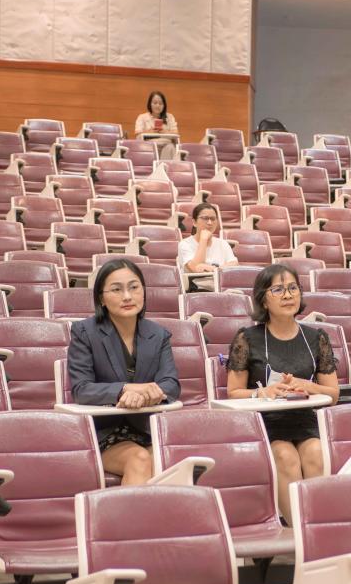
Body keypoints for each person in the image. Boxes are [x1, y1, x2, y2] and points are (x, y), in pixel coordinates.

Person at [226, 264, 340, 521]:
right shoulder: (247, 338)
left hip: (305, 420)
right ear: (263, 299)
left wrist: (308, 386)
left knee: (316, 453)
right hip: (265, 423)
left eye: (292, 288)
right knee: (285, 456)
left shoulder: (316, 337)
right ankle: (297, 529)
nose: (288, 295)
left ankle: (320, 526)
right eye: (278, 290)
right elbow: (233, 393)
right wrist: (262, 392)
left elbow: (332, 394)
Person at [68, 259, 181, 486]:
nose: (127, 296)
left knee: (173, 460)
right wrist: (125, 390)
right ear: (101, 298)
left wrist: (149, 394)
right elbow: (81, 389)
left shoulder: (159, 335)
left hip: (147, 428)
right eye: (116, 289)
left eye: (134, 287)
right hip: (102, 430)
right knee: (139, 459)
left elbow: (171, 384)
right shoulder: (85, 332)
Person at [178, 203, 238, 274]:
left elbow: (234, 264)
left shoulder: (223, 243)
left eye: (213, 219)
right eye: (205, 218)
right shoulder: (185, 244)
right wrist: (203, 240)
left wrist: (214, 269)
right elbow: (195, 269)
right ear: (194, 222)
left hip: (220, 280)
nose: (210, 223)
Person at [135, 91, 179, 159]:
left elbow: (176, 133)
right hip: (149, 147)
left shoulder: (170, 117)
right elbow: (138, 134)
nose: (158, 105)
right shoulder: (142, 117)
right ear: (150, 104)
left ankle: (164, 166)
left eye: (160, 103)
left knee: (170, 147)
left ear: (164, 105)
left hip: (167, 145)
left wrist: (165, 132)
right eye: (155, 103)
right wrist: (150, 132)